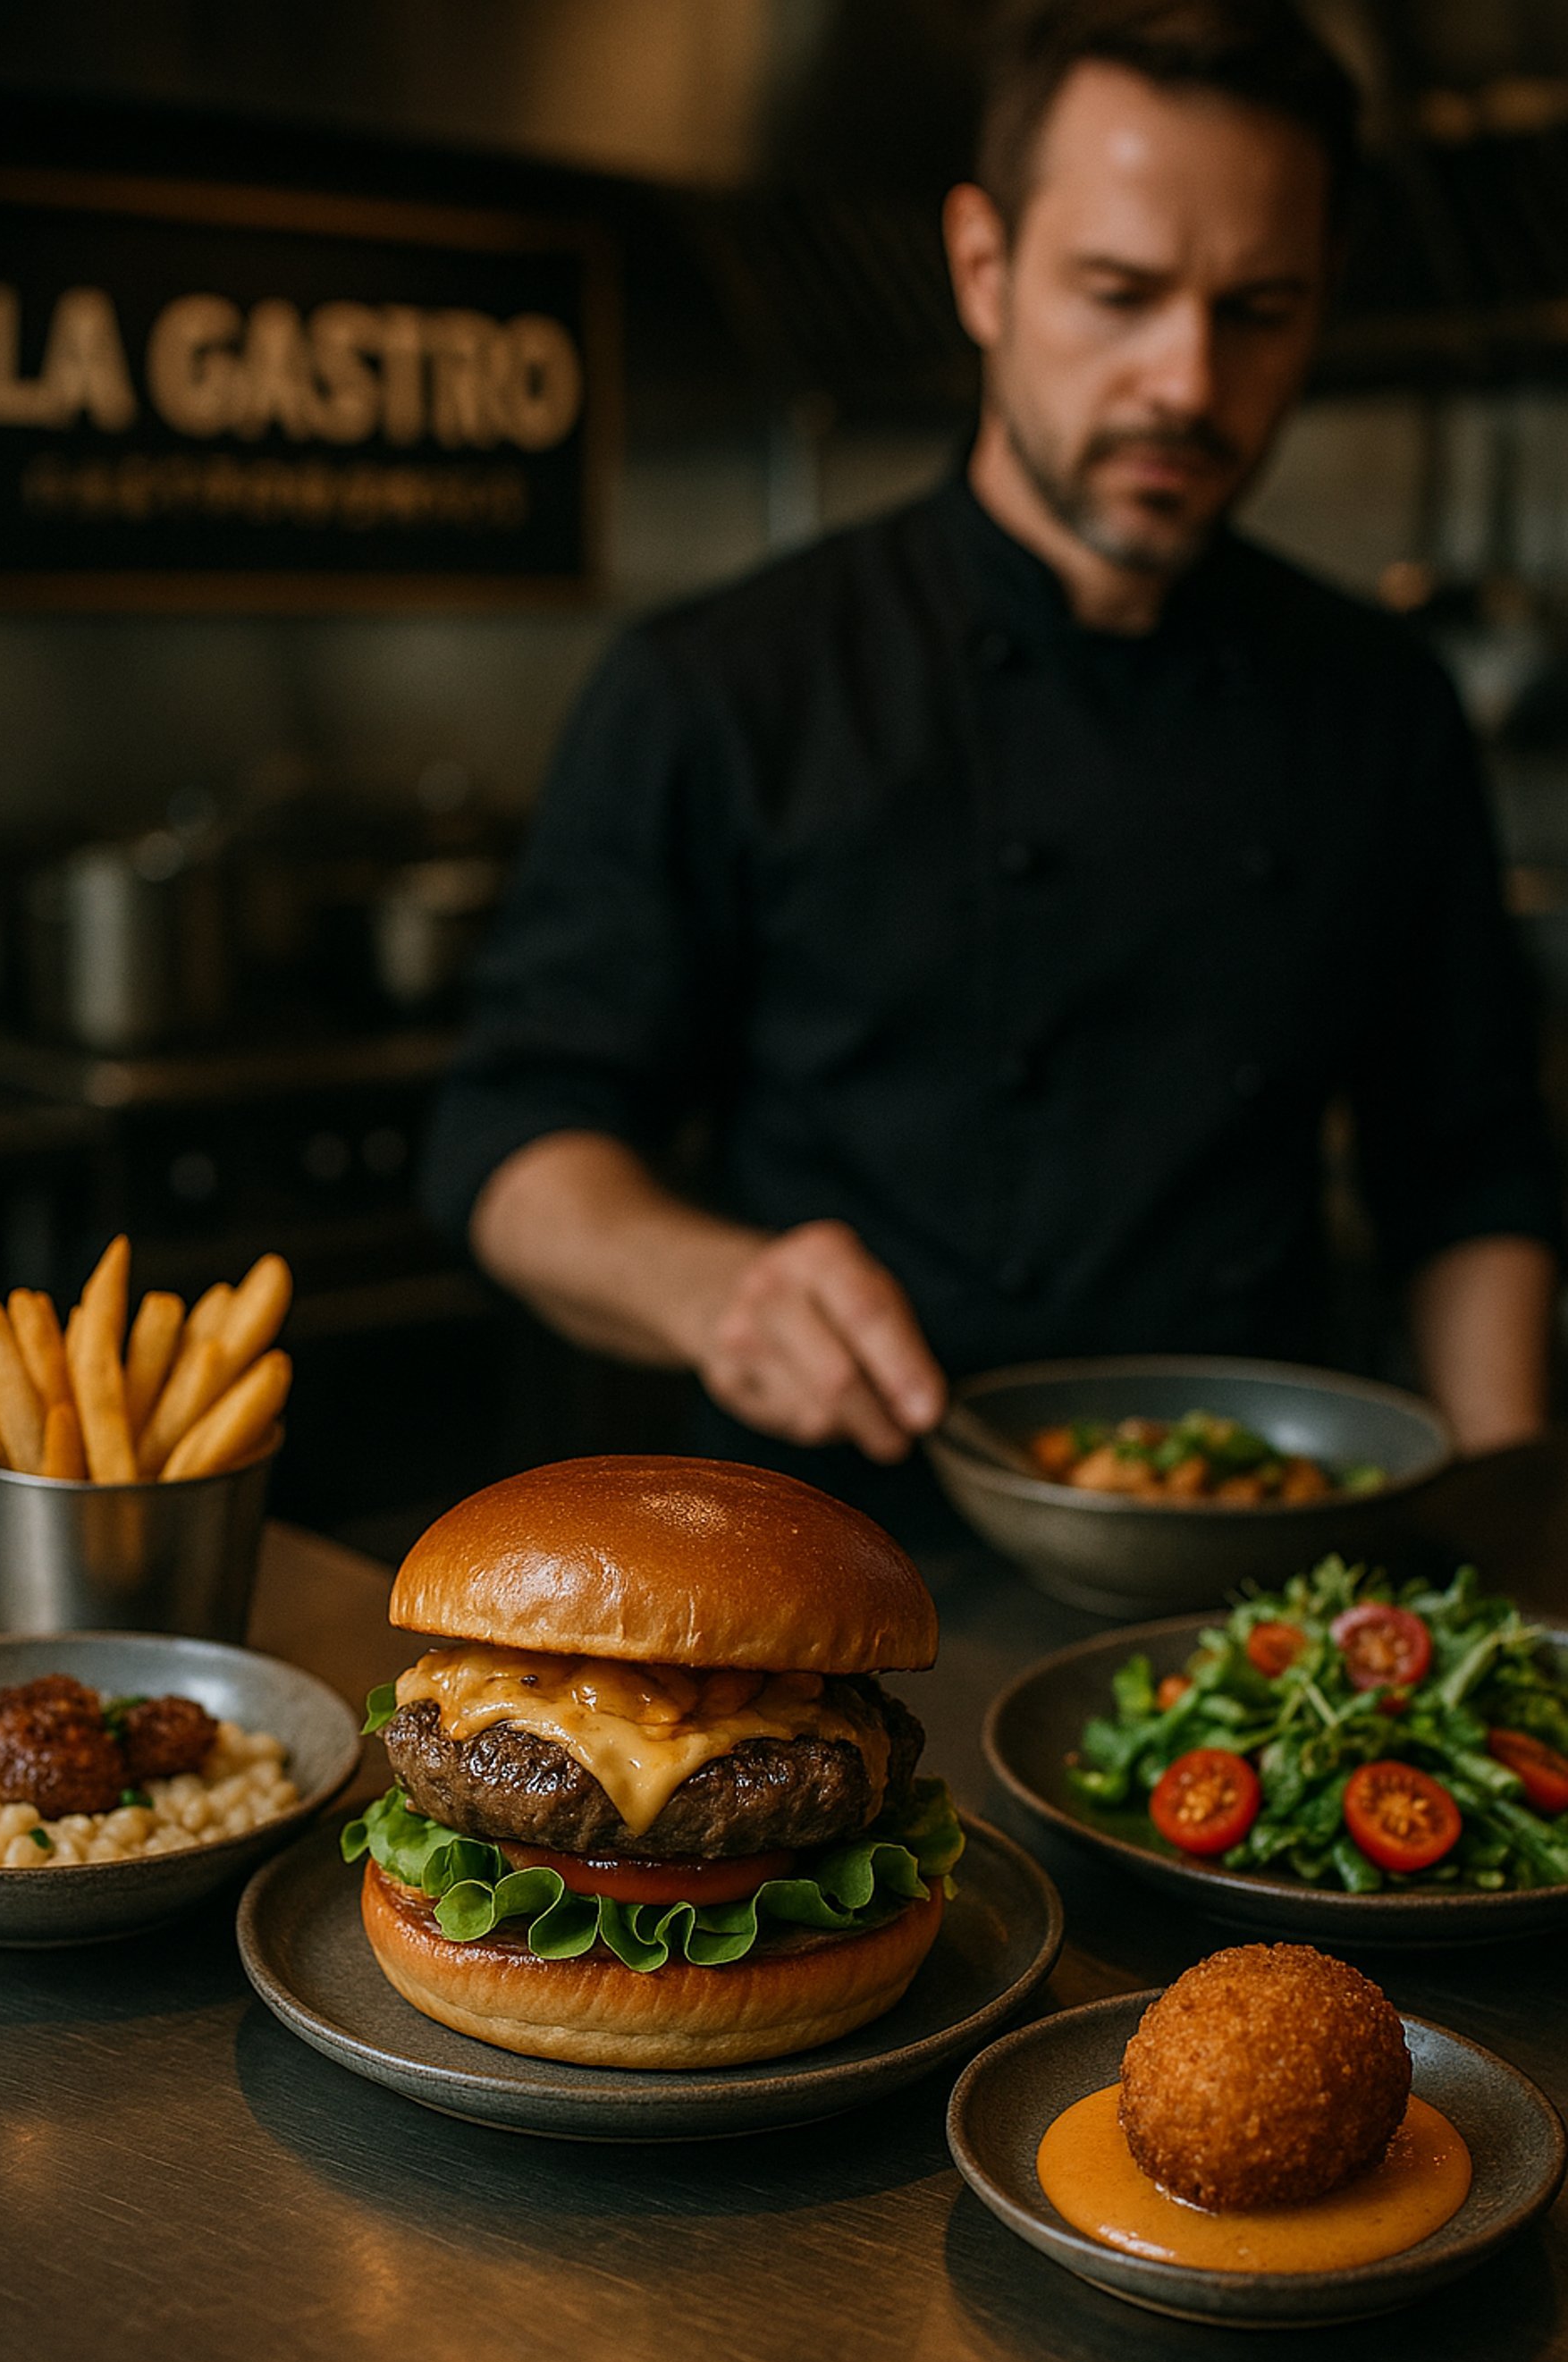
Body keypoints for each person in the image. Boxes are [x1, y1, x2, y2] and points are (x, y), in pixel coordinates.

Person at [426, 0, 1560, 1527]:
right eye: (1120, 292)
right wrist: (717, 1292)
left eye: (1261, 309)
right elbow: (513, 1145)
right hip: (839, 1568)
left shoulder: (1379, 701)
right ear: (983, 268)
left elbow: (1469, 1171)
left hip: (1251, 1581)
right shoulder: (725, 681)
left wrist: (1503, 1534)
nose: (1186, 379)